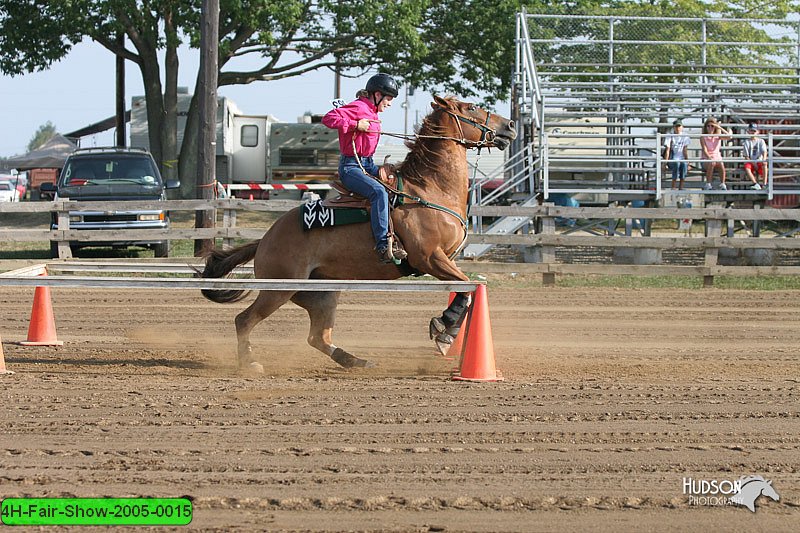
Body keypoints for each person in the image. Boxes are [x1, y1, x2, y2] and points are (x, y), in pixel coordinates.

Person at [322, 73, 407, 264]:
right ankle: (383, 244)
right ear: (377, 95)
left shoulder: (372, 112)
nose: (390, 103)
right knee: (378, 191)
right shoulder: (359, 107)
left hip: (366, 163)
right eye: (389, 99)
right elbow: (328, 118)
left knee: (396, 182)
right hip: (351, 167)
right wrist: (354, 124)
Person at [700, 117, 732, 190]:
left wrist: (719, 127)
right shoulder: (703, 137)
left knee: (720, 163)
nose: (710, 128)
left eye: (712, 126)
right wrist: (709, 157)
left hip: (717, 158)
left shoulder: (718, 136)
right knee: (712, 162)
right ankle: (708, 184)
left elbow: (729, 137)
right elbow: (704, 149)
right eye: (708, 126)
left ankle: (722, 184)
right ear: (706, 127)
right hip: (706, 158)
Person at [663, 119, 691, 190]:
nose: (678, 128)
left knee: (683, 164)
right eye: (676, 126)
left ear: (682, 127)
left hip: (681, 159)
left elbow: (685, 150)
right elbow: (667, 150)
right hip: (672, 159)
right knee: (676, 163)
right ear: (673, 127)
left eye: (679, 126)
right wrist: (665, 163)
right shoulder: (670, 136)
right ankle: (673, 185)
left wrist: (688, 162)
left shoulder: (685, 135)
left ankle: (681, 186)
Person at [741, 123, 768, 190]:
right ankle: (755, 183)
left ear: (757, 132)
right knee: (747, 167)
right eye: (751, 130)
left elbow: (764, 152)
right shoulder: (747, 142)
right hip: (750, 161)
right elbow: (746, 156)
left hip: (759, 161)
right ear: (748, 132)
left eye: (754, 131)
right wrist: (753, 163)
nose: (752, 132)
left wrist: (764, 160)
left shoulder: (761, 141)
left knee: (765, 164)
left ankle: (764, 184)